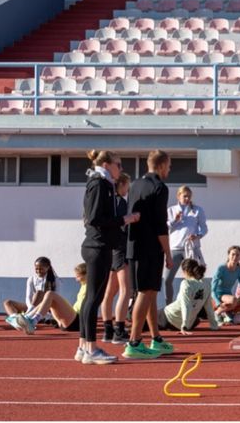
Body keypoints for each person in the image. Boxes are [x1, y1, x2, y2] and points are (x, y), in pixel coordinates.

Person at [78, 150, 139, 364]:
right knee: (94, 298)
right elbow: (95, 218)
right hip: (98, 246)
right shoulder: (99, 183)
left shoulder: (102, 183)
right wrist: (125, 219)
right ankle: (91, 349)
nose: (120, 169)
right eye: (118, 165)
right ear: (106, 164)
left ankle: (84, 346)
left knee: (91, 298)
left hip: (99, 245)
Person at [123, 150, 174, 359]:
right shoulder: (160, 187)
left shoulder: (134, 185)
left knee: (150, 292)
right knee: (144, 293)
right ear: (162, 165)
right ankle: (134, 342)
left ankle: (156, 338)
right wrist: (168, 254)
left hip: (133, 246)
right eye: (169, 166)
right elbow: (161, 225)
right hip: (150, 247)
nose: (169, 170)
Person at [3, 257, 81, 333]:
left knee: (40, 293)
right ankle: (16, 321)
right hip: (33, 307)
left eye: (41, 269)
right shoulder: (31, 279)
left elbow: (56, 298)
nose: (38, 271)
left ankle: (28, 319)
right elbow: (28, 297)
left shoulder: (56, 280)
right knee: (7, 302)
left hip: (47, 308)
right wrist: (31, 309)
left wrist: (31, 312)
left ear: (48, 268)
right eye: (36, 268)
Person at [101, 172, 133, 346]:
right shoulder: (121, 203)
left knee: (109, 292)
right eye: (127, 185)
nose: (128, 188)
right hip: (121, 248)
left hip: (111, 249)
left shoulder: (109, 202)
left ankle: (107, 329)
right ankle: (119, 330)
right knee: (125, 290)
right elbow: (122, 224)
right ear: (122, 185)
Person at [164, 185, 207, 304]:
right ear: (178, 196)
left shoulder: (197, 210)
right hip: (175, 248)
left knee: (196, 278)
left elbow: (204, 228)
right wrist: (175, 220)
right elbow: (166, 227)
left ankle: (197, 305)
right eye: (185, 196)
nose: (187, 199)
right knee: (167, 279)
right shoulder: (171, 210)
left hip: (192, 248)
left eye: (189, 196)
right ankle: (169, 304)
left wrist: (197, 235)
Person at [160, 258, 220, 334]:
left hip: (169, 317)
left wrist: (184, 326)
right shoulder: (206, 283)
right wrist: (214, 325)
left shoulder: (186, 283)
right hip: (190, 324)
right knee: (197, 318)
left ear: (185, 271)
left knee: (148, 316)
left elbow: (186, 305)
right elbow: (208, 306)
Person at [211, 245, 240, 323]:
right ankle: (217, 313)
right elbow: (212, 290)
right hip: (217, 297)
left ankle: (229, 313)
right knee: (233, 299)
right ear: (228, 255)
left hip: (230, 298)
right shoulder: (221, 268)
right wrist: (218, 303)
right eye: (233, 254)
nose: (235, 257)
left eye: (237, 255)